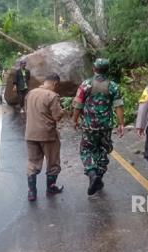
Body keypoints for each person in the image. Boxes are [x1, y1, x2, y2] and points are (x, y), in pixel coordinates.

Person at [72, 58, 125, 196]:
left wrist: (74, 120)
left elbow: (78, 104)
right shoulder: (113, 86)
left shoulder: (86, 84)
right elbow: (118, 106)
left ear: (94, 69)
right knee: (103, 149)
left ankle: (92, 174)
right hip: (106, 125)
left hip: (90, 125)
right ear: (107, 70)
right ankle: (99, 177)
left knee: (86, 149)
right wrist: (121, 124)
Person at [25, 73, 64, 201]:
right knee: (53, 163)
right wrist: (62, 111)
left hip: (30, 134)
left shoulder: (30, 93)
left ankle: (32, 192)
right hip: (48, 135)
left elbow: (27, 110)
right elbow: (57, 116)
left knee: (32, 163)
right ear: (55, 84)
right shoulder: (52, 96)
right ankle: (51, 188)